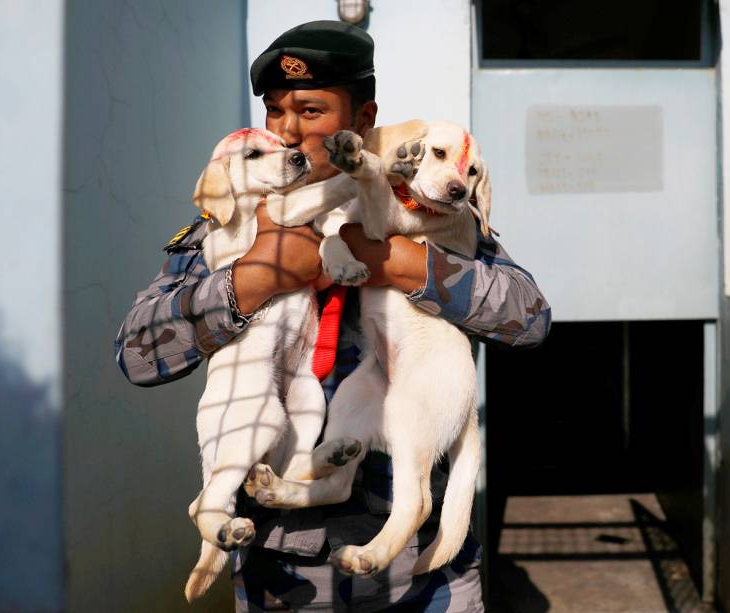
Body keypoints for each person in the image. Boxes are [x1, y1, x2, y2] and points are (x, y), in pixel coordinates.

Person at [114, 20, 551, 612]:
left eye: (311, 110)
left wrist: (401, 263)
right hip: (283, 574)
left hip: (422, 579)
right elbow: (138, 353)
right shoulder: (238, 221)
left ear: (363, 119)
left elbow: (528, 317)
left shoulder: (421, 207)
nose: (288, 130)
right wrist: (252, 279)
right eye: (275, 111)